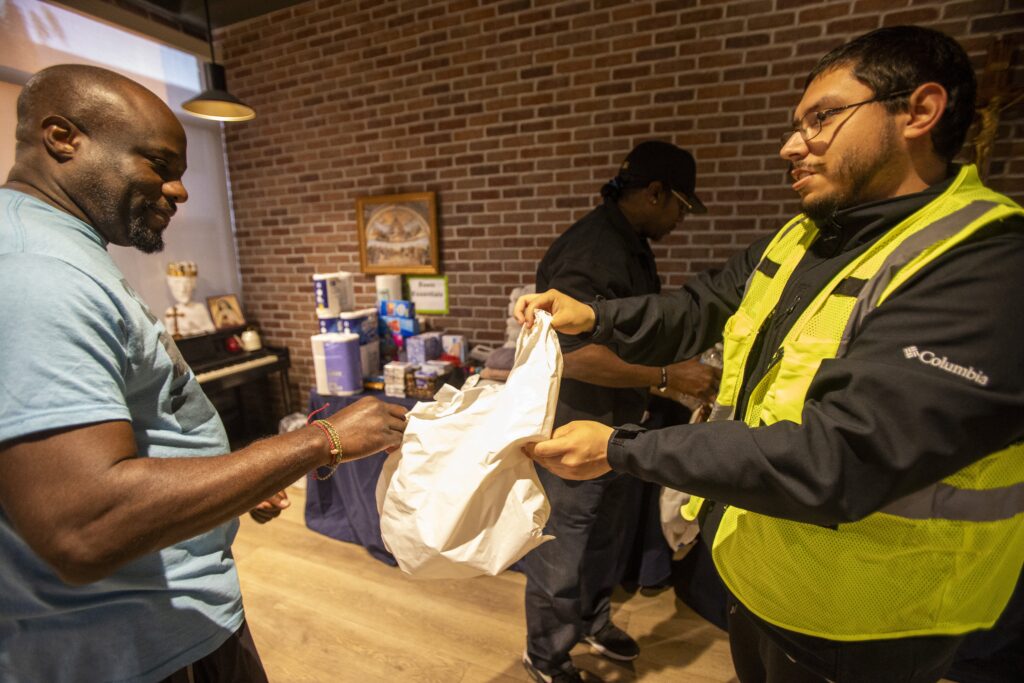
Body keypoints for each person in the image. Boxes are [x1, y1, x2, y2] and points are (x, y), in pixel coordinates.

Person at [516, 25, 1024, 683]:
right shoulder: (803, 234)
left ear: (919, 112)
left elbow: (839, 454)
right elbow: (697, 306)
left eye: (821, 118)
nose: (791, 145)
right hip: (761, 571)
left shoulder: (983, 262)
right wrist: (594, 314)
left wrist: (620, 448)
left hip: (868, 612)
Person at [0, 64, 407, 683]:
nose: (179, 192)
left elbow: (137, 436)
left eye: (183, 174)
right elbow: (83, 524)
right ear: (63, 137)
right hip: (134, 647)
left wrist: (233, 484)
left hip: (165, 614)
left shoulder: (61, 251)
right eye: (158, 165)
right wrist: (318, 442)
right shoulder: (37, 275)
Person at [521, 141, 720, 683]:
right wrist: (666, 377)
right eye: (680, 204)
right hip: (571, 428)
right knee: (563, 550)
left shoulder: (629, 243)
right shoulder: (593, 251)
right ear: (653, 192)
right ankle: (546, 656)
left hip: (614, 427)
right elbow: (577, 356)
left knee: (603, 538)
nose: (681, 218)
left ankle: (590, 621)